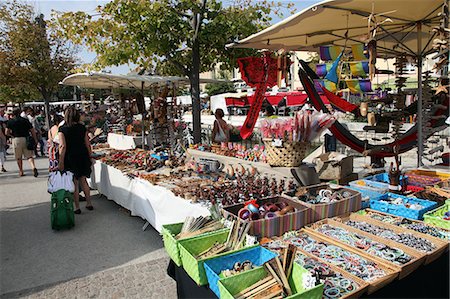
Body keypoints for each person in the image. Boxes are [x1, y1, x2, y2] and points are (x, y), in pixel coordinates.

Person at [58, 106, 93, 214]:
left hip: (70, 157)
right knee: (84, 180)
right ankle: (89, 203)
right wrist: (90, 155)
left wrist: (61, 162)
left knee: (75, 182)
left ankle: (77, 207)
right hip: (82, 155)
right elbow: (87, 143)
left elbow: (62, 147)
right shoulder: (82, 128)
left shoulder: (63, 129)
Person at [5, 108, 38, 177]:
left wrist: (11, 135)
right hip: (26, 138)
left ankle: (21, 171)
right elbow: (32, 130)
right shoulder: (25, 120)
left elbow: (6, 132)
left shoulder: (10, 121)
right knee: (29, 156)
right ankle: (33, 167)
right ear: (20, 113)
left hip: (16, 139)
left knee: (18, 157)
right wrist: (35, 139)